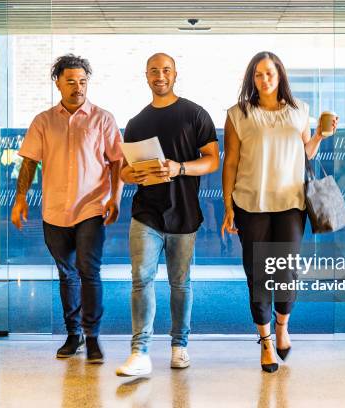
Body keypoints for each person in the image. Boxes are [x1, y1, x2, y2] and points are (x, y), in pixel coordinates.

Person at [221, 51, 338, 373]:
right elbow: (230, 162)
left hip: (290, 203)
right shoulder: (238, 114)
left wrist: (319, 136)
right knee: (258, 277)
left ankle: (283, 328)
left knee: (286, 274)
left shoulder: (299, 110)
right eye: (258, 75)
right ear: (252, 79)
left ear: (280, 75)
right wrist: (228, 206)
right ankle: (266, 342)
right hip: (251, 204)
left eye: (270, 73)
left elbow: (305, 153)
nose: (265, 79)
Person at [11, 54, 124, 363]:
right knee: (67, 274)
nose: (78, 87)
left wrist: (115, 197)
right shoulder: (43, 121)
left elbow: (117, 161)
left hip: (91, 207)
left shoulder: (103, 118)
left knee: (89, 271)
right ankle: (73, 335)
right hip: (55, 210)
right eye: (71, 81)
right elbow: (29, 161)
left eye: (83, 82)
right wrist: (20, 198)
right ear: (58, 83)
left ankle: (93, 339)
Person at [116, 53, 220, 376]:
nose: (159, 76)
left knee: (180, 283)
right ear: (145, 77)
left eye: (165, 70)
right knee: (141, 280)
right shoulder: (135, 122)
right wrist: (131, 175)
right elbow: (124, 171)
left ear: (175, 74)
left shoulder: (195, 114)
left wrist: (180, 168)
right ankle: (140, 352)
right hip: (146, 214)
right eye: (153, 71)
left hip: (184, 214)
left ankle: (179, 346)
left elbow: (213, 160)